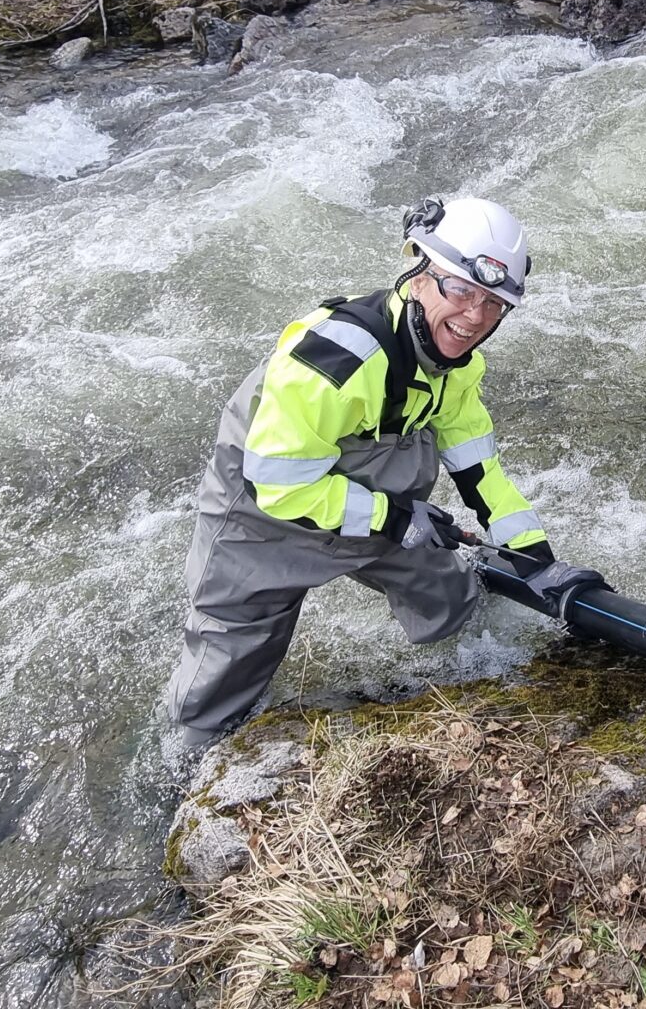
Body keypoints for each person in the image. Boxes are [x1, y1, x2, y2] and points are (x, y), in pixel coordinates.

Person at [165, 197, 558, 747]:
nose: (474, 317)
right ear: (418, 273)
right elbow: (277, 482)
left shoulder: (458, 365)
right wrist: (394, 519)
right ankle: (184, 771)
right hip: (261, 507)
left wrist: (533, 551)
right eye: (461, 290)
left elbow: (477, 465)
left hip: (377, 504)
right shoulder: (339, 357)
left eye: (494, 303)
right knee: (226, 672)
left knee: (453, 601)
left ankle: (462, 681)